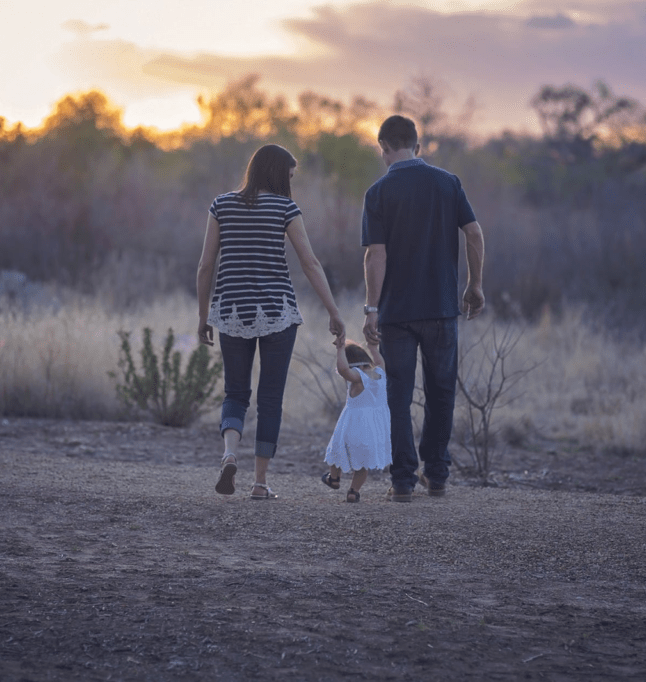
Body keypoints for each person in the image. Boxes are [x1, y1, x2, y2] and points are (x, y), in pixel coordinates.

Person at [197, 144, 345, 500]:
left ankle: (230, 453)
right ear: (279, 174)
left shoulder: (221, 205)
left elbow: (205, 266)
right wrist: (333, 311)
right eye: (290, 176)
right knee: (270, 398)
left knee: (235, 392)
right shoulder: (285, 208)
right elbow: (309, 263)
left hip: (231, 311)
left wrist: (204, 317)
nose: (291, 183)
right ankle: (260, 483)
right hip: (278, 312)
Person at [361, 115, 486, 502]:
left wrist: (371, 308)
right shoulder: (448, 183)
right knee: (441, 392)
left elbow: (375, 256)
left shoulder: (378, 192)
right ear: (418, 145)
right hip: (442, 307)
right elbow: (474, 233)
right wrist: (474, 284)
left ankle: (402, 481)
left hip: (397, 313)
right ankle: (437, 474)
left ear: (383, 147)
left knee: (398, 395)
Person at [321, 339, 390, 503]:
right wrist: (373, 348)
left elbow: (344, 370)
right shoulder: (378, 373)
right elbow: (380, 362)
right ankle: (353, 491)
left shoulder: (357, 377)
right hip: (372, 428)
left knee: (337, 451)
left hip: (352, 425)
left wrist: (339, 350)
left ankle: (334, 478)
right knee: (362, 464)